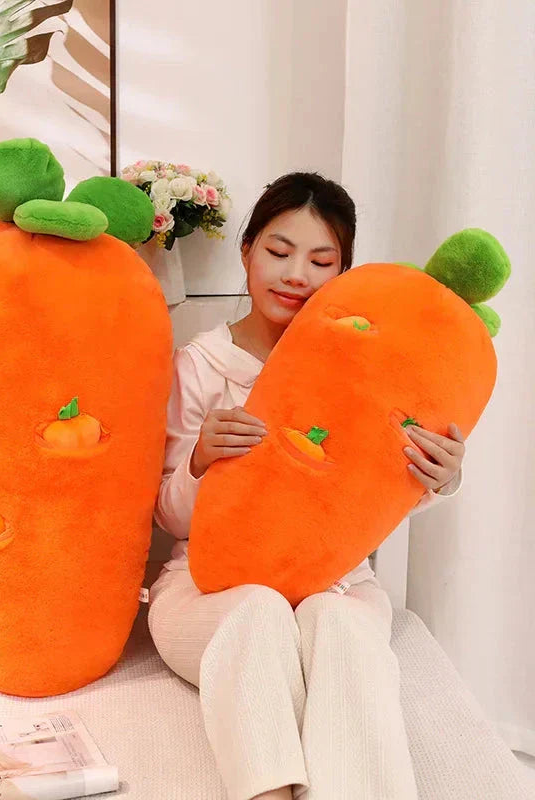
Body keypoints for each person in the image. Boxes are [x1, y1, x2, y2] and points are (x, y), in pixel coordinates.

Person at [147, 172, 465, 800]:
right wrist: (201, 461)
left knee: (340, 624)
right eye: (279, 251)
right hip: (209, 585)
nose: (296, 275)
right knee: (258, 610)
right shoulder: (202, 366)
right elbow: (170, 519)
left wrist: (440, 479)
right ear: (247, 252)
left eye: (322, 262)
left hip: (336, 581)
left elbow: (366, 501)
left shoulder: (365, 371)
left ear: (343, 274)